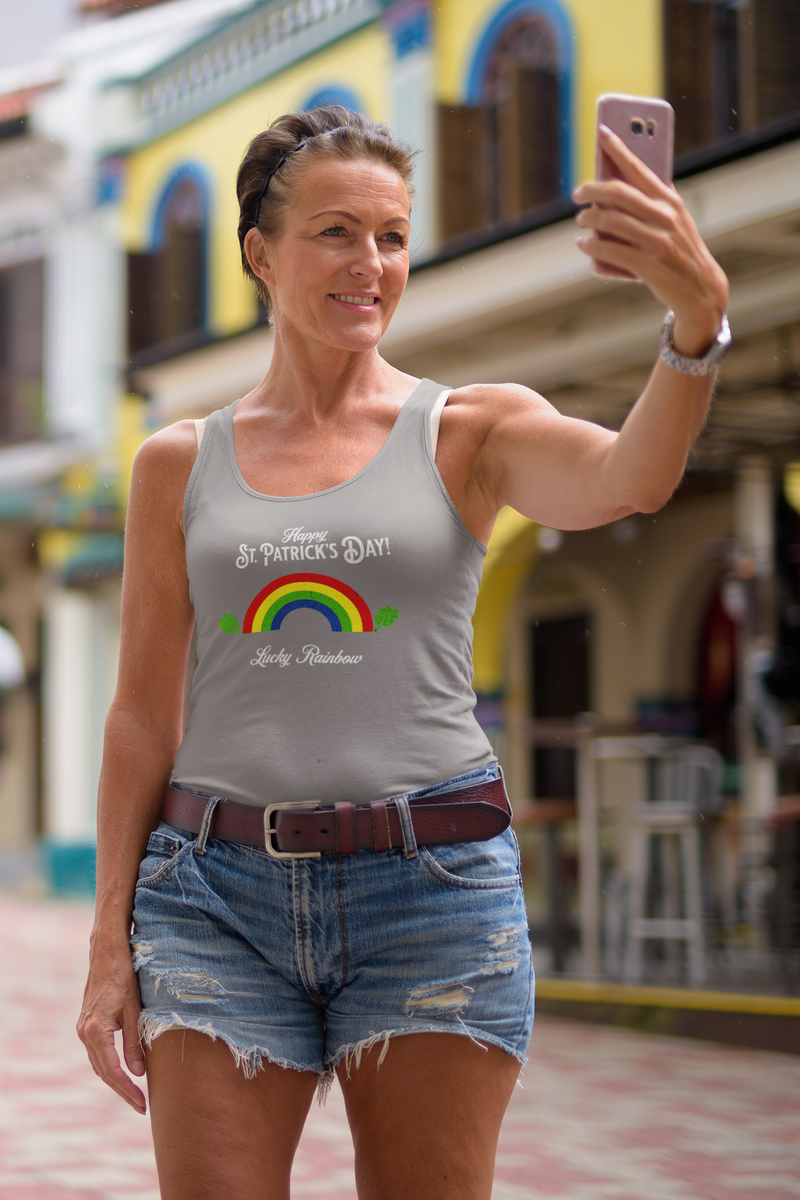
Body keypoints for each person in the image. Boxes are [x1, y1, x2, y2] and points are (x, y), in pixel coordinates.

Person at [78, 105, 729, 1199]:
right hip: (213, 898)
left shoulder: (468, 430)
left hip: (430, 890)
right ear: (259, 253)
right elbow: (144, 714)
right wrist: (108, 944)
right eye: (334, 232)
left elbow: (630, 476)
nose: (369, 264)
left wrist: (694, 325)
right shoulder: (176, 465)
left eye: (390, 236)